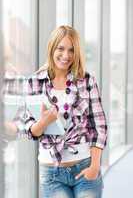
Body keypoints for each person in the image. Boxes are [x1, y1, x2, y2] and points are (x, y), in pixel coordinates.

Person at [18, 25, 107, 198]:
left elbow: (100, 126)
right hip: (52, 173)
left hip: (84, 166)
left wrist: (95, 166)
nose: (66, 55)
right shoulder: (34, 82)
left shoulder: (87, 81)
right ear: (52, 47)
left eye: (71, 50)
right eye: (61, 48)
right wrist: (45, 121)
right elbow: (29, 131)